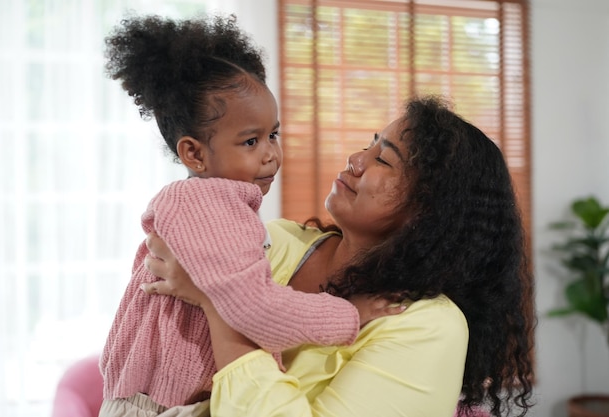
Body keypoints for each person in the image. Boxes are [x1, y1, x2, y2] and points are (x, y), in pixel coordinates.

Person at [142, 95, 536, 417]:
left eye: (383, 159)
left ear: (429, 212)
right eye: (371, 142)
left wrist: (218, 302)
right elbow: (156, 290)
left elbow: (214, 299)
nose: (356, 159)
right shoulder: (278, 240)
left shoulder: (428, 324)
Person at [99, 14, 385, 417]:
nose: (271, 153)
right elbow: (256, 310)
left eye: (273, 134)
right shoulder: (199, 205)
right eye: (251, 140)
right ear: (194, 153)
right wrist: (352, 313)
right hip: (154, 406)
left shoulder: (220, 205)